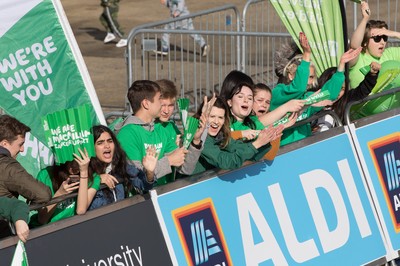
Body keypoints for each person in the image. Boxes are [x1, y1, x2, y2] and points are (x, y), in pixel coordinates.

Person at [115, 80, 204, 184]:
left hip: (163, 195)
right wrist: (169, 161)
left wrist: (196, 141)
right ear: (146, 104)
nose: (165, 109)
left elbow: (185, 168)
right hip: (140, 199)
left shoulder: (160, 129)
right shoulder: (127, 134)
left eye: (170, 105)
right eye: (159, 102)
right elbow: (138, 179)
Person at [190, 97, 279, 175]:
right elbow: (226, 161)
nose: (216, 122)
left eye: (220, 117)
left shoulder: (221, 134)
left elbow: (242, 149)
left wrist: (265, 141)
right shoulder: (199, 137)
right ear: (202, 117)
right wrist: (256, 144)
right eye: (212, 116)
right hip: (189, 189)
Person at [89, 125, 157, 209]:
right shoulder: (85, 172)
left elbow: (144, 185)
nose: (107, 146)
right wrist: (96, 180)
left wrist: (149, 172)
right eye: (100, 142)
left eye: (110, 141)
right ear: (91, 148)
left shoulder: (121, 165)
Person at [34, 148, 98, 224]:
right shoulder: (45, 175)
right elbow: (42, 219)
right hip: (48, 229)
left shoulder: (93, 177)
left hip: (72, 226)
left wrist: (84, 172)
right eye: (71, 159)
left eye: (79, 158)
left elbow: (81, 210)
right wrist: (60, 194)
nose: (74, 164)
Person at [313, 61, 381, 132]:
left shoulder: (344, 99)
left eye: (342, 89)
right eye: (335, 88)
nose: (338, 93)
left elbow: (362, 91)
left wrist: (372, 74)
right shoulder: (311, 97)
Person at [0, 115, 51, 203]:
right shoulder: (7, 167)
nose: (22, 149)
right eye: (20, 144)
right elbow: (43, 195)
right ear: (4, 144)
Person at [349, 1, 400, 88]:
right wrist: (365, 18)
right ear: (365, 42)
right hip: (366, 101)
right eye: (377, 38)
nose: (382, 42)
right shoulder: (358, 58)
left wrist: (395, 34)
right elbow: (354, 46)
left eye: (385, 37)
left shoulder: (391, 53)